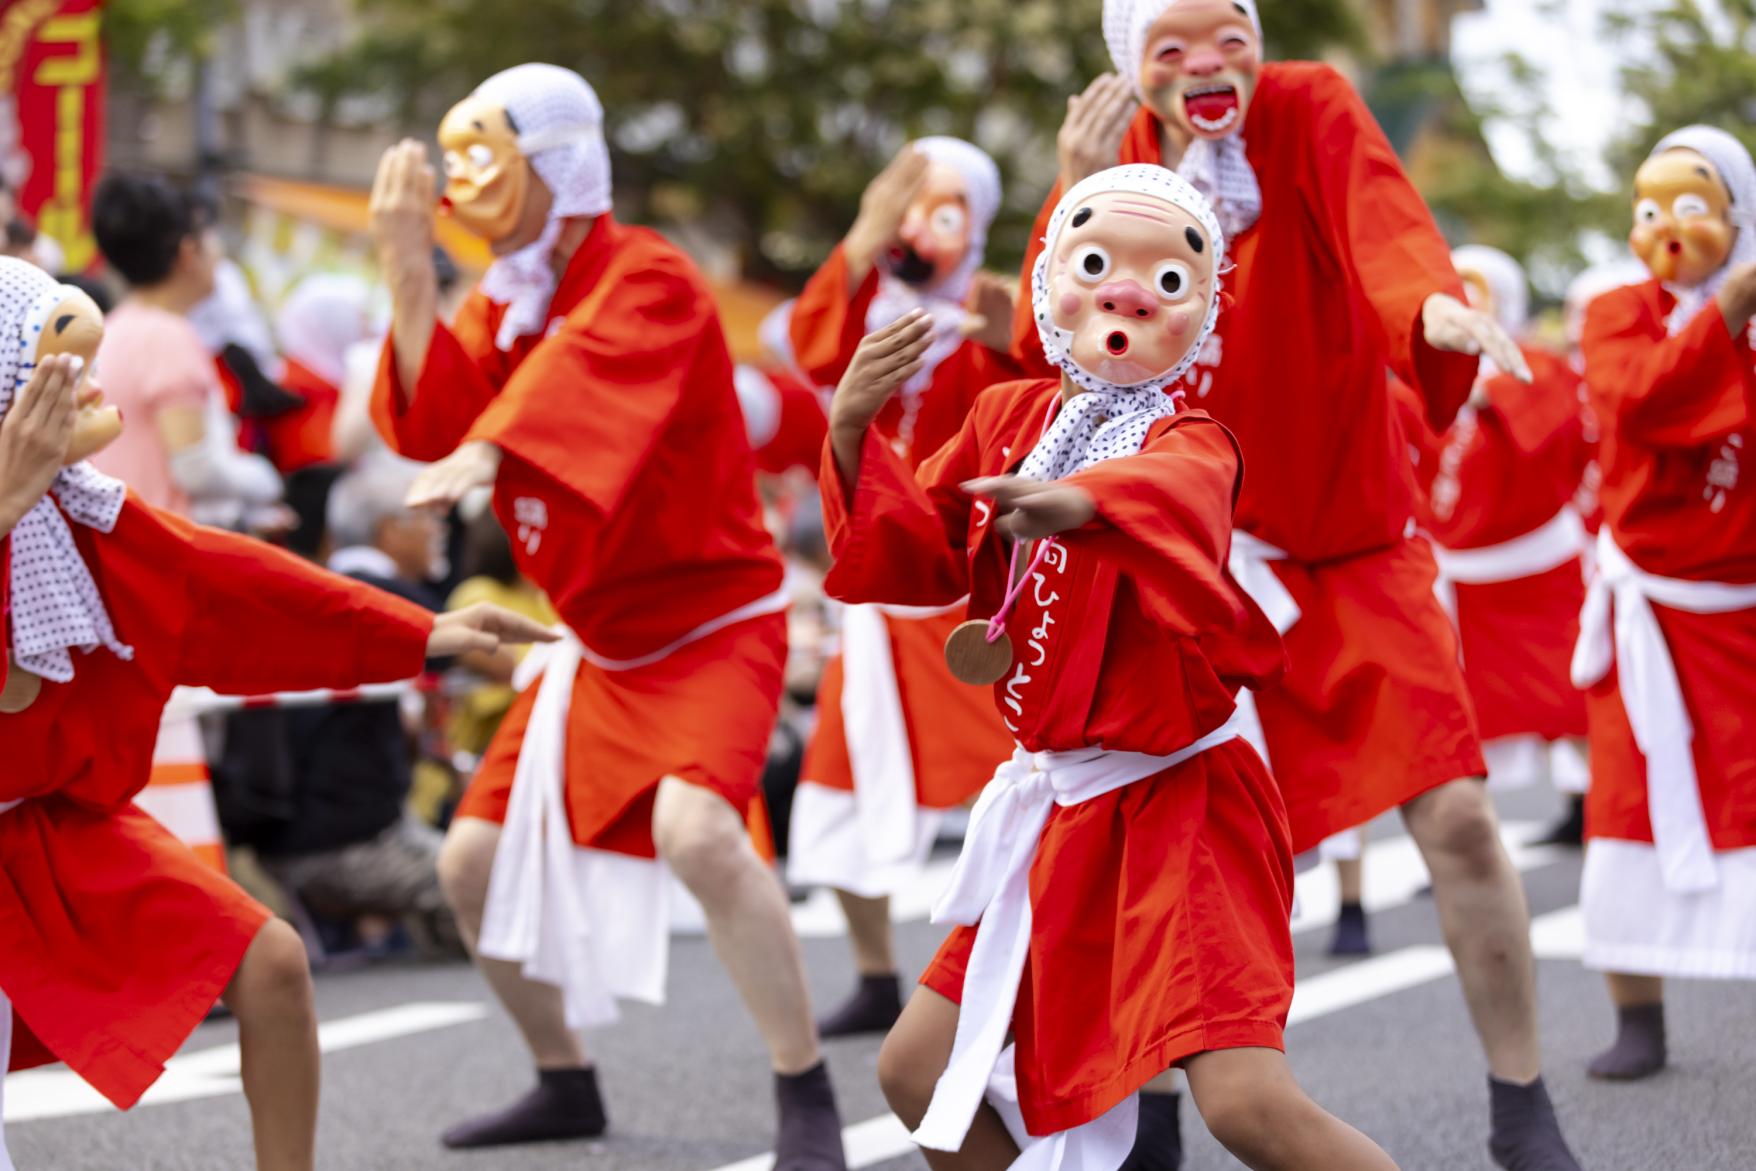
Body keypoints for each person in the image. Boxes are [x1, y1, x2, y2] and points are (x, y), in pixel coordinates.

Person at [1010, 5, 1584, 1168]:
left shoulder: (1306, 105)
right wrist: (1069, 186)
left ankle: (1522, 1109)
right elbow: (1059, 358)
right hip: (1189, 559)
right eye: (1167, 49)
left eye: (1225, 33)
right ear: (1132, 69)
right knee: (1157, 845)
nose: (1205, 65)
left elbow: (1382, 223)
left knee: (1462, 818)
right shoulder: (1119, 161)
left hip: (1348, 538)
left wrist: (1428, 306)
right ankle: (1159, 1109)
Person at [831, 163, 1398, 1171]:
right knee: (918, 1073)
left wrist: (1083, 504)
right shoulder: (1006, 417)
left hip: (1180, 806)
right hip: (1060, 815)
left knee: (1244, 1103)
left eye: (1166, 279)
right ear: (1051, 282)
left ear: (1198, 314)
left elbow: (1179, 495)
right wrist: (848, 429)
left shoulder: (1189, 436)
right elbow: (915, 548)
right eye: (1093, 263)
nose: (1125, 293)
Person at [366, 64, 846, 1166]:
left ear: (560, 164)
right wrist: (402, 270)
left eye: (494, 156)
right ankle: (563, 1076)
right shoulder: (507, 299)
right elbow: (434, 414)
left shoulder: (652, 277)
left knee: (699, 832)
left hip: (713, 625)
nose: (471, 183)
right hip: (594, 645)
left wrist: (492, 446)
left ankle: (805, 1086)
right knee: (464, 867)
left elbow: (574, 386)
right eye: (462, 162)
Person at [0, 257, 553, 1171]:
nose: (91, 386)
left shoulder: (88, 518)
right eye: (61, 368)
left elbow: (244, 593)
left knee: (272, 961)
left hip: (51, 826)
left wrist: (428, 632)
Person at [784, 137, 1018, 1038]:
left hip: (967, 584)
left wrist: (1001, 343)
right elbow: (813, 352)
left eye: (945, 207)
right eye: (910, 204)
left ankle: (1020, 959)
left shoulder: (998, 307)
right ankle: (879, 972)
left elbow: (1038, 397)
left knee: (1003, 787)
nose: (921, 226)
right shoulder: (870, 309)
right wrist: (861, 235)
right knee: (835, 793)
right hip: (877, 589)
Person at [1574, 125, 1756, 1084]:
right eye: (1651, 209)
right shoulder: (1612, 314)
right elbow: (1641, 403)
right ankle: (1639, 1017)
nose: (1668, 229)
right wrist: (1727, 308)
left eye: (1694, 206)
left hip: (1746, 604)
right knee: (1626, 809)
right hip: (1649, 602)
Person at [251, 459, 455, 948]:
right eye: (428, 520)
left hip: (280, 834)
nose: (438, 533)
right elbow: (477, 651)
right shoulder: (386, 601)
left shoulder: (307, 592)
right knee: (490, 880)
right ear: (391, 529)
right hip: (346, 842)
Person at [1425, 246, 1592, 806]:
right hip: (1460, 572)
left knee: (1568, 697)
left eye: (1477, 291)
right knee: (1467, 712)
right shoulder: (1428, 369)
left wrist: (1479, 388)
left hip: (1536, 571)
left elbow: (1547, 430)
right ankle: (1477, 838)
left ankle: (1592, 804)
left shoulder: (1538, 365)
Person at [88, 175, 282, 524]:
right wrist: (264, 479)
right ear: (188, 253)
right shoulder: (169, 337)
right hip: (158, 541)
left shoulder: (108, 329)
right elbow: (195, 467)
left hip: (118, 536)